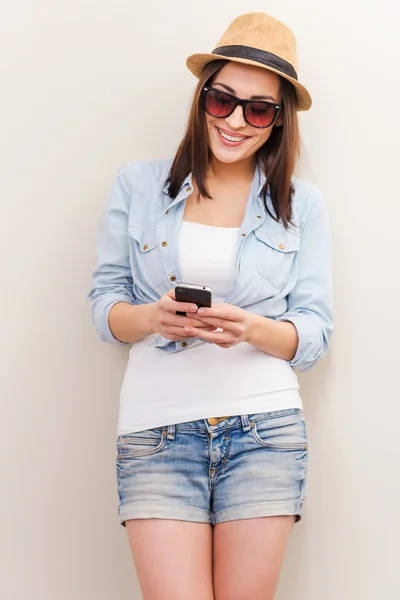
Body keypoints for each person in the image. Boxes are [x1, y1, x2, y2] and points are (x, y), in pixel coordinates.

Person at [89, 12, 333, 600]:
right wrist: (153, 317)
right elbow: (105, 305)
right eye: (222, 99)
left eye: (258, 109)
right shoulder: (140, 185)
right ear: (203, 97)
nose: (235, 121)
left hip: (264, 431)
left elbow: (315, 332)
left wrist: (253, 328)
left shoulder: (302, 204)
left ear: (279, 121)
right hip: (156, 432)